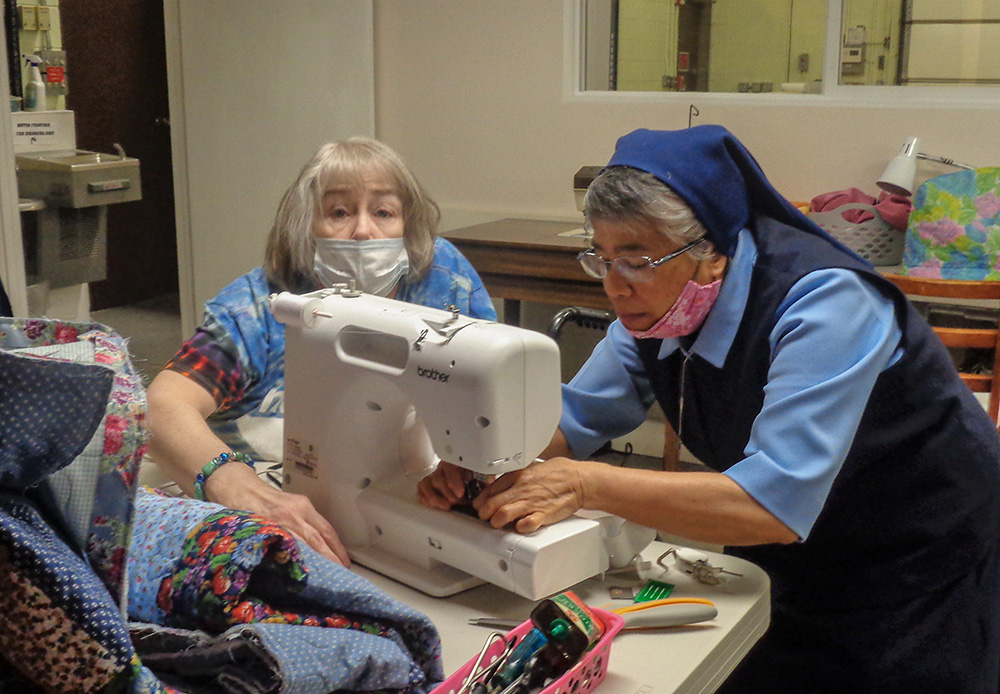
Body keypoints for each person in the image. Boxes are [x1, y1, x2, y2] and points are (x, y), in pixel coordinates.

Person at [419, 126, 1000, 692]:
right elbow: (575, 418)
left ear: (712, 254)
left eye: (636, 258)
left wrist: (580, 483)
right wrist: (482, 463)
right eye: (600, 256)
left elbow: (770, 505)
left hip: (915, 545)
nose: (614, 285)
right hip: (793, 544)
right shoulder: (654, 311)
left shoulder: (827, 303)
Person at [146, 137, 496, 566]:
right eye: (339, 213)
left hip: (409, 500)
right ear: (304, 227)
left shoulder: (443, 280)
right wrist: (239, 486)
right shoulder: (259, 307)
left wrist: (470, 472)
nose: (364, 230)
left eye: (384, 212)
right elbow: (161, 408)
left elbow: (488, 384)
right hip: (281, 516)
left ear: (408, 225)